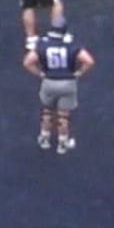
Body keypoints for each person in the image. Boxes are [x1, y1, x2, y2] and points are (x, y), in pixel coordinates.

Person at [23, 17, 94, 153]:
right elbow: (89, 61)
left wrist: (40, 73)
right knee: (63, 116)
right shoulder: (71, 45)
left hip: (49, 82)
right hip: (67, 82)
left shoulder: (43, 44)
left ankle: (44, 138)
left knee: (47, 112)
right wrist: (78, 73)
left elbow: (27, 62)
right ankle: (63, 143)